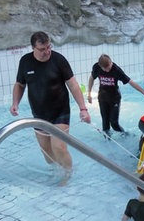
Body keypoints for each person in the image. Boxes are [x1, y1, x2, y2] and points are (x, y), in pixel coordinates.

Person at [10, 31, 91, 178]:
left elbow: (72, 85)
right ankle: (58, 172)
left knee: (59, 146)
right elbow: (20, 84)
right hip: (39, 113)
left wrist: (83, 108)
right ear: (33, 47)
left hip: (60, 111)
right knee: (47, 153)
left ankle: (68, 176)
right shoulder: (25, 61)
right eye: (42, 49)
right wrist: (15, 103)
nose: (47, 52)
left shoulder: (58, 60)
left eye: (49, 47)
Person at [87, 54, 144, 136]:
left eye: (109, 67)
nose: (108, 70)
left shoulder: (116, 70)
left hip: (114, 99)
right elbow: (91, 78)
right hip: (102, 98)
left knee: (114, 124)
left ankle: (126, 135)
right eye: (105, 69)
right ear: (100, 66)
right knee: (105, 125)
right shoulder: (96, 67)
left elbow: (131, 82)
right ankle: (108, 142)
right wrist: (89, 93)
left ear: (111, 62)